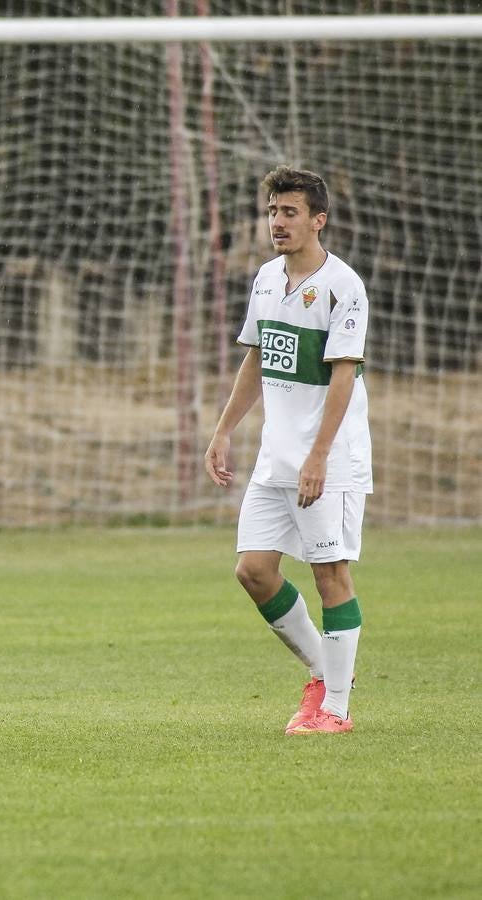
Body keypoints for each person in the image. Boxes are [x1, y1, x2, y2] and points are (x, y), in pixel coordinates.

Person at [204, 165, 371, 735]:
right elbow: (257, 355)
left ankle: (337, 711)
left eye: (290, 212)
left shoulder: (343, 286)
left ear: (317, 220)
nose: (277, 221)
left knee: (331, 574)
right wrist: (224, 429)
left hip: (330, 456)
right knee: (252, 570)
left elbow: (343, 375)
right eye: (273, 211)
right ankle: (325, 674)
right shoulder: (267, 278)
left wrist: (319, 456)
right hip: (275, 456)